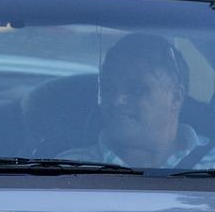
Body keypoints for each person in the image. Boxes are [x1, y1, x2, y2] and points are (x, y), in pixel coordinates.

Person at [62, 33, 215, 168]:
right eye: (108, 89)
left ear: (176, 97)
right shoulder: (68, 167)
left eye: (137, 89)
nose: (117, 100)